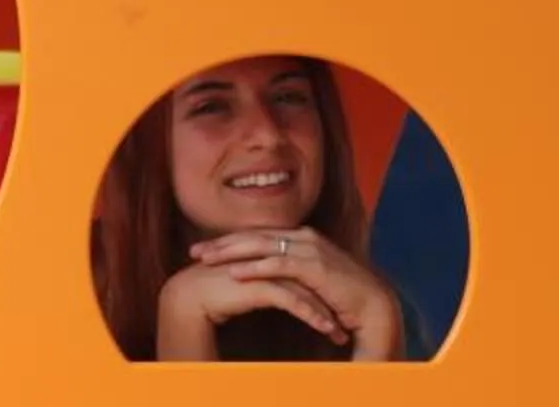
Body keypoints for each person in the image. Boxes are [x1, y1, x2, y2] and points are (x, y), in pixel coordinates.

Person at [90, 51, 419, 364]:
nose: (268, 134)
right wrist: (183, 334)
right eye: (212, 106)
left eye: (288, 97)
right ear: (147, 145)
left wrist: (377, 344)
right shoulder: (67, 293)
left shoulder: (373, 303)